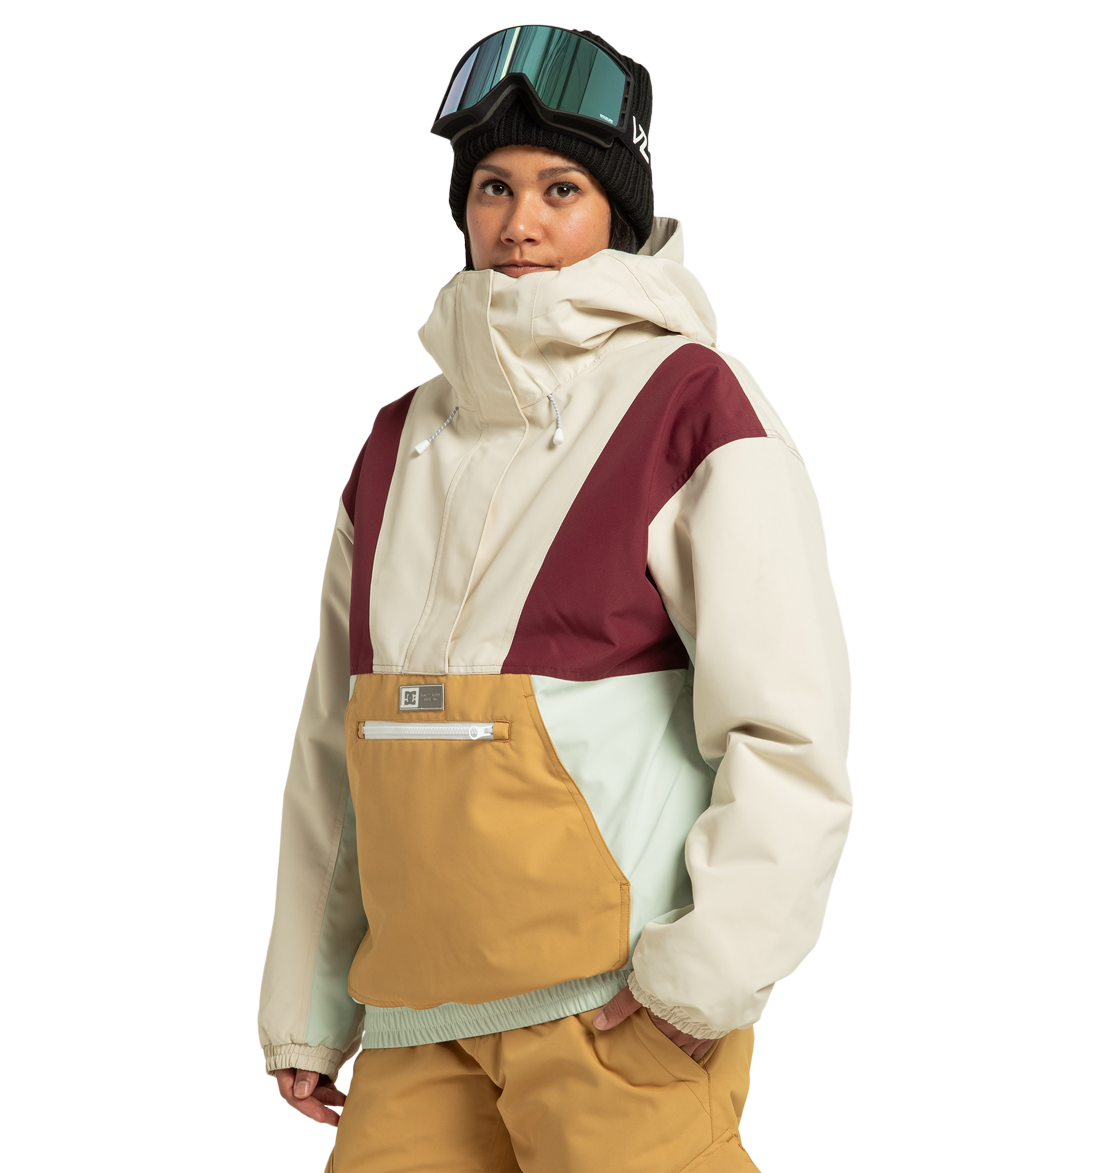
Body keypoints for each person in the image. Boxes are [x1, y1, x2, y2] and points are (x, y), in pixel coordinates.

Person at [258, 26, 851, 1173]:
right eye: (492, 187)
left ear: (616, 212)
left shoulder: (689, 404)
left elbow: (788, 728)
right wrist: (308, 1005)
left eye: (559, 189)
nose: (518, 223)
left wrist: (704, 979)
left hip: (611, 1012)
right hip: (416, 1020)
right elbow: (337, 746)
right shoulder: (394, 441)